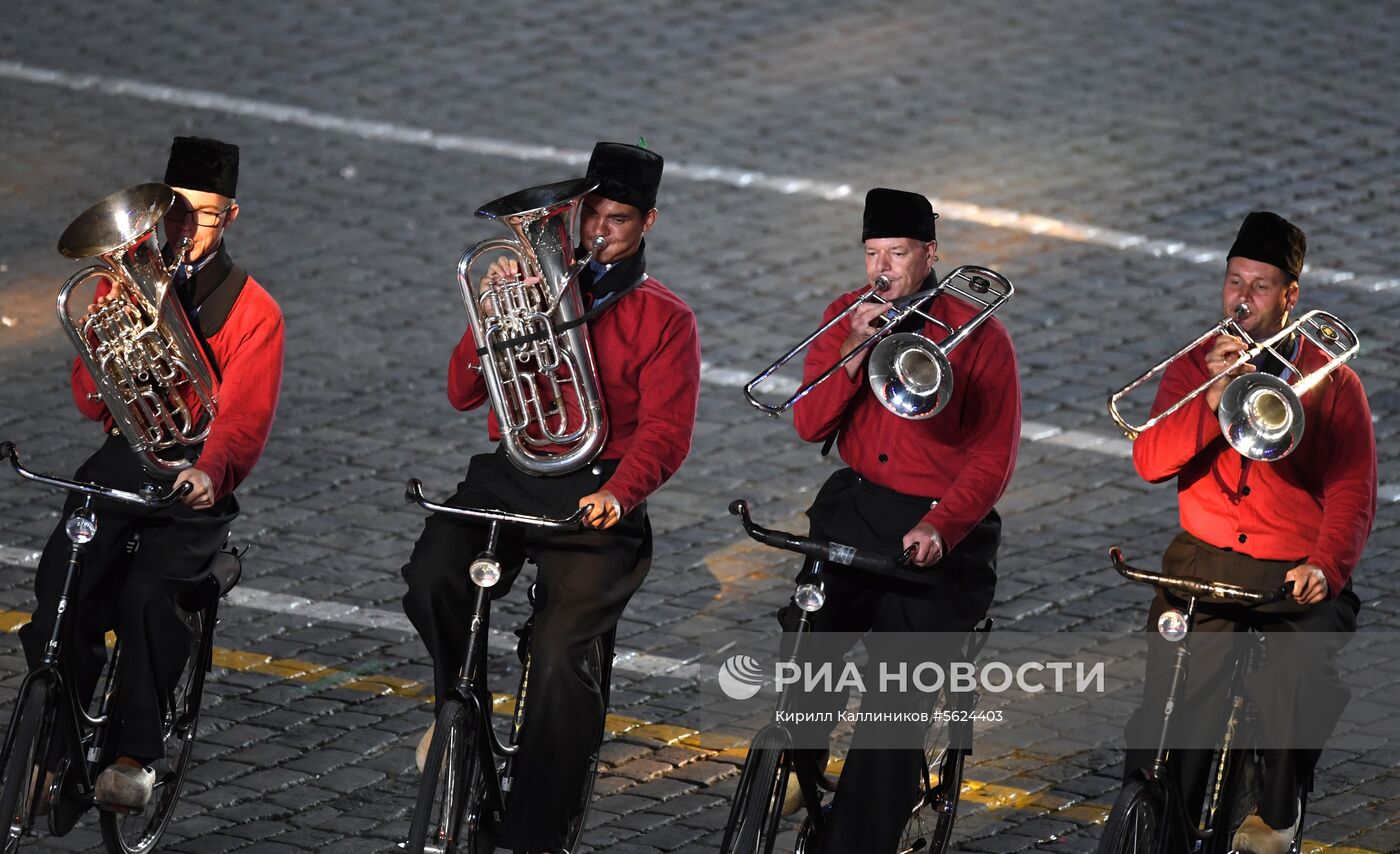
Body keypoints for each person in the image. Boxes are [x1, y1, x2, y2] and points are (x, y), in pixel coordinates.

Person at [400, 141, 701, 853]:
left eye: (617, 219)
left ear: (647, 222)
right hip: (514, 467)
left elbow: (667, 432)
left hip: (600, 487)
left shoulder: (666, 318)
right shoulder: (526, 288)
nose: (597, 231)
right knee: (429, 577)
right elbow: (461, 392)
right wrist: (491, 315)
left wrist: (622, 494)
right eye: (588, 215)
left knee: (565, 656)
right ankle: (455, 708)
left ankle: (534, 833)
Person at [18, 136, 285, 809]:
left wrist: (210, 471)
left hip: (192, 474)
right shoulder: (121, 281)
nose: (188, 231)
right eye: (176, 213)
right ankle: (59, 731)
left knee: (149, 598)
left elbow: (245, 419)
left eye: (206, 215)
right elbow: (87, 399)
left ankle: (134, 754)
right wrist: (103, 337)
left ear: (231, 217)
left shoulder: (255, 310)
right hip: (122, 458)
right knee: (58, 585)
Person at [1123, 212, 1375, 854]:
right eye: (1234, 282)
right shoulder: (1196, 364)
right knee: (1173, 701)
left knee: (1298, 679)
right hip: (1203, 558)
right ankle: (1156, 820)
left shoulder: (1333, 384)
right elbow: (1151, 462)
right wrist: (1209, 399)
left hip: (1291, 566)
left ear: (1291, 295)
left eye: (1260, 287)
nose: (1242, 299)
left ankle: (1279, 808)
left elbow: (1352, 490)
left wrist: (1326, 566)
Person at [781, 188, 1021, 853]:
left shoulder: (982, 337)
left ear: (929, 253)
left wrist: (942, 526)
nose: (881, 270)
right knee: (807, 637)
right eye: (872, 254)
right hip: (857, 507)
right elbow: (808, 423)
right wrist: (852, 353)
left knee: (896, 696)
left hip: (939, 528)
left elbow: (994, 457)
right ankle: (800, 762)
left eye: (897, 253)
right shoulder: (844, 316)